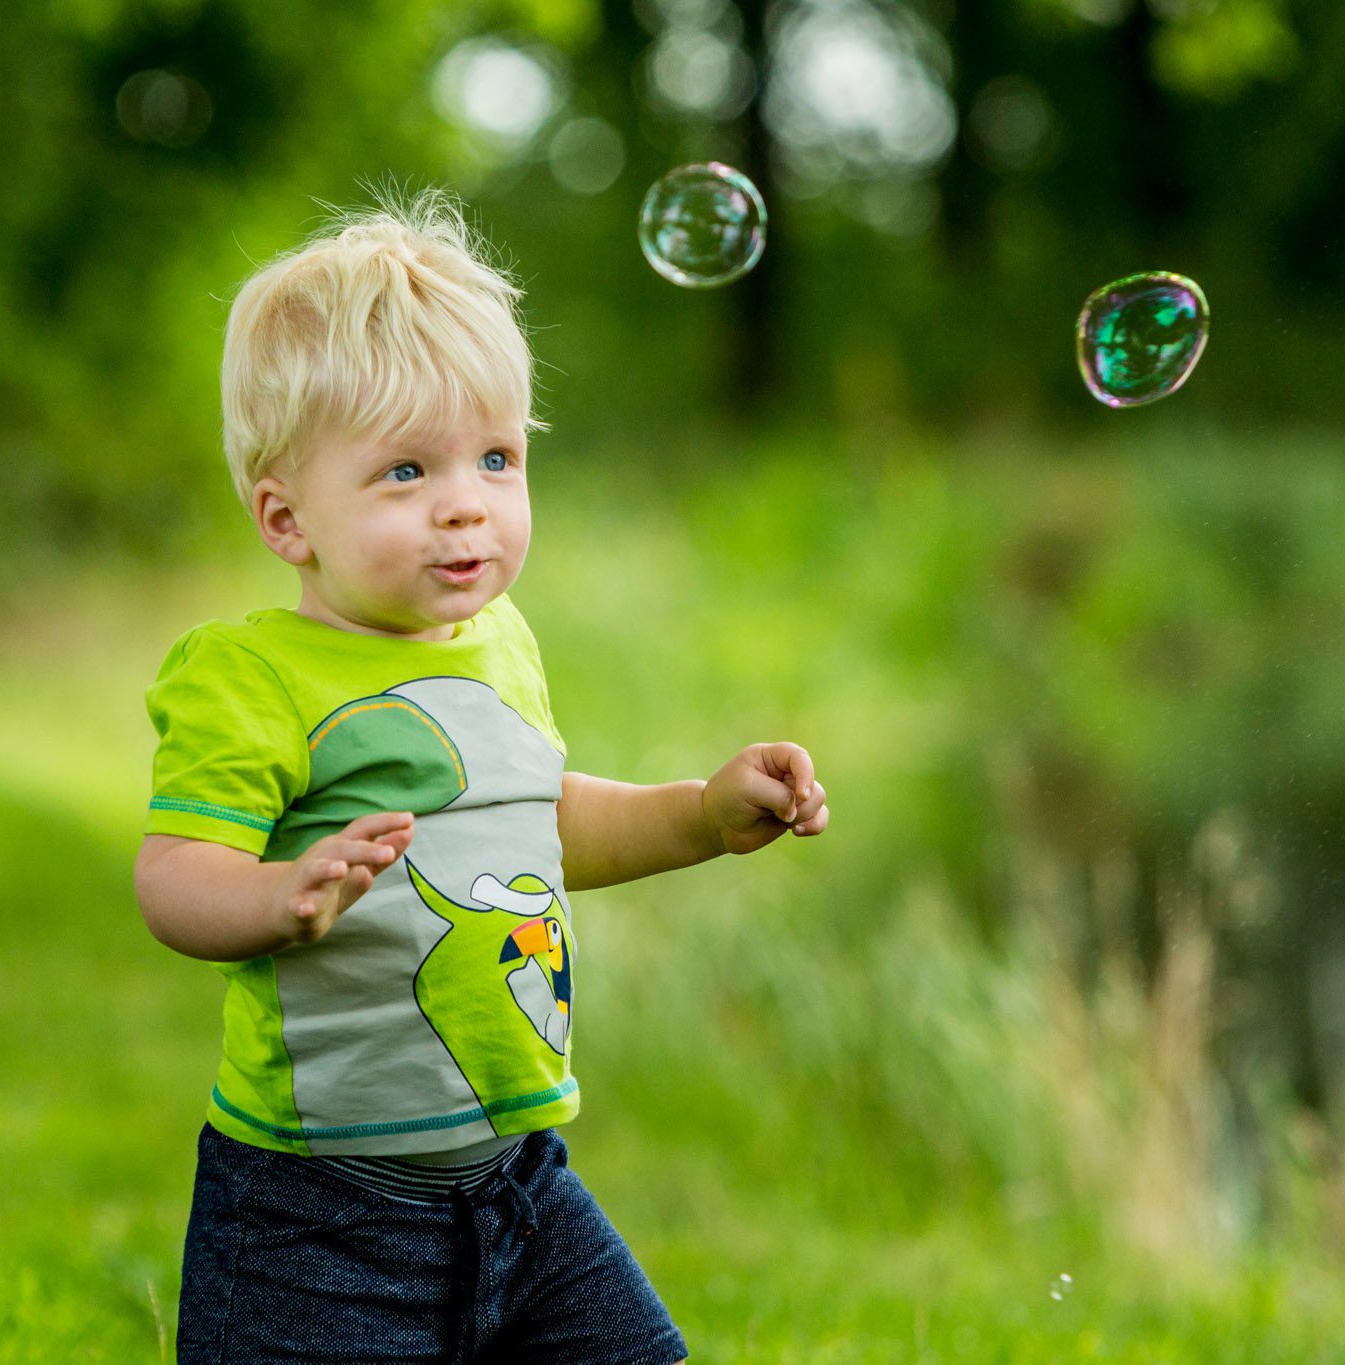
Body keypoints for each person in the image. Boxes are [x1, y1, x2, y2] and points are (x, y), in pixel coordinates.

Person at [133, 186, 829, 1365]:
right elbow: (172, 876)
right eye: (405, 471)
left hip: (519, 1190)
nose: (466, 503)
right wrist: (280, 895)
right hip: (318, 1216)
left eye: (495, 457)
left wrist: (702, 814)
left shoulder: (502, 643)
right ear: (285, 516)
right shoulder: (247, 675)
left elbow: (544, 828)